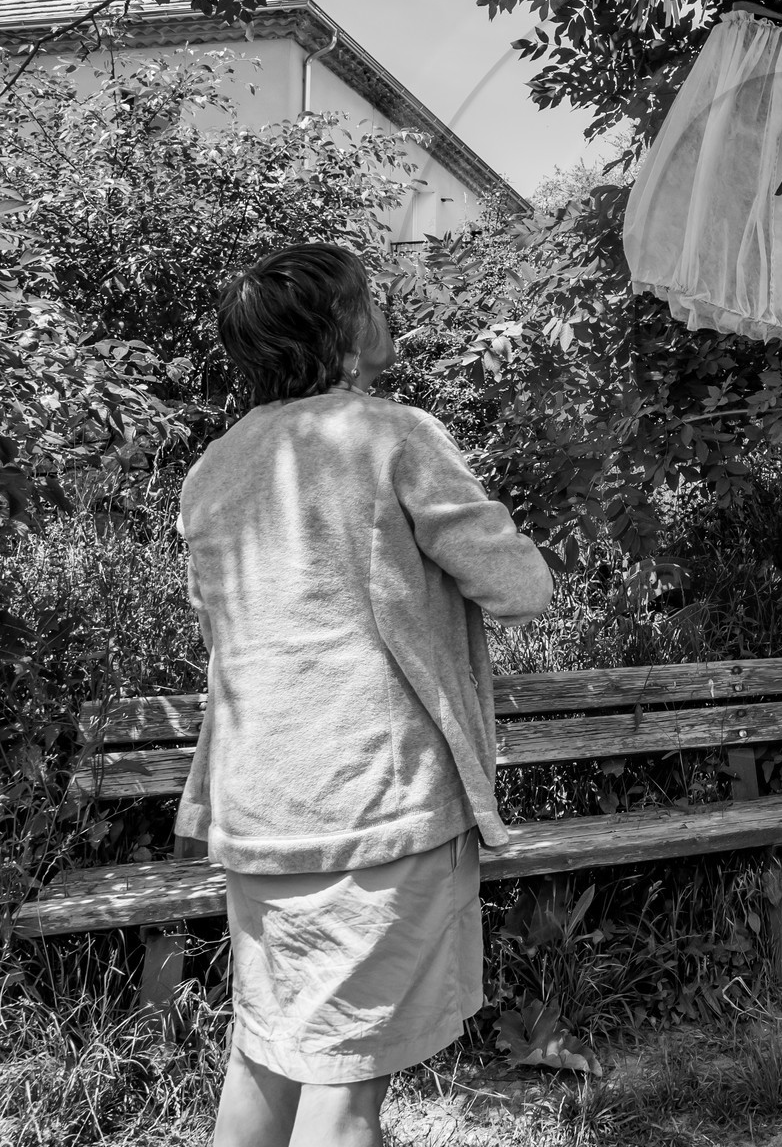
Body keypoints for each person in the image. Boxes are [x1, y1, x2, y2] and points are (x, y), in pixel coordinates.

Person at [181, 244, 554, 1147]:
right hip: (372, 796)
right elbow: (519, 588)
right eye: (371, 300)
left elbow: (219, 624)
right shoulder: (393, 435)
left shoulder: (213, 469)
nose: (385, 312)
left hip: (259, 799)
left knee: (268, 1051)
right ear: (341, 330)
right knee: (346, 1086)